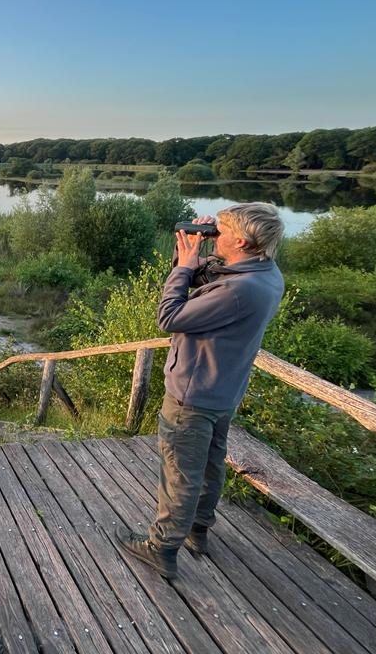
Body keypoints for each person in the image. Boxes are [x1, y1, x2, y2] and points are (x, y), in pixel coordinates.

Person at [116, 203, 285, 580]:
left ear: (241, 241)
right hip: (223, 391)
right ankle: (197, 530)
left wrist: (181, 269)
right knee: (209, 465)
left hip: (192, 396)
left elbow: (169, 317)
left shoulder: (239, 290)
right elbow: (208, 281)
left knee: (181, 473)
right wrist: (189, 253)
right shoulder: (266, 274)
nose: (214, 235)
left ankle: (162, 548)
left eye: (221, 231)